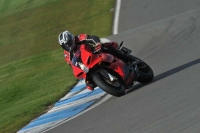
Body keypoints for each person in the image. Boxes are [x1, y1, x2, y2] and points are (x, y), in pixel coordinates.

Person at [58, 30, 135, 90]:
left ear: (71, 38)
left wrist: (97, 43)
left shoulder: (79, 38)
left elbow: (92, 38)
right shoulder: (67, 55)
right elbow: (73, 66)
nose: (67, 46)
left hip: (95, 52)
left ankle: (124, 55)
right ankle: (108, 81)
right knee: (90, 84)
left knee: (105, 45)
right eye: (64, 45)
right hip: (87, 65)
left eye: (68, 43)